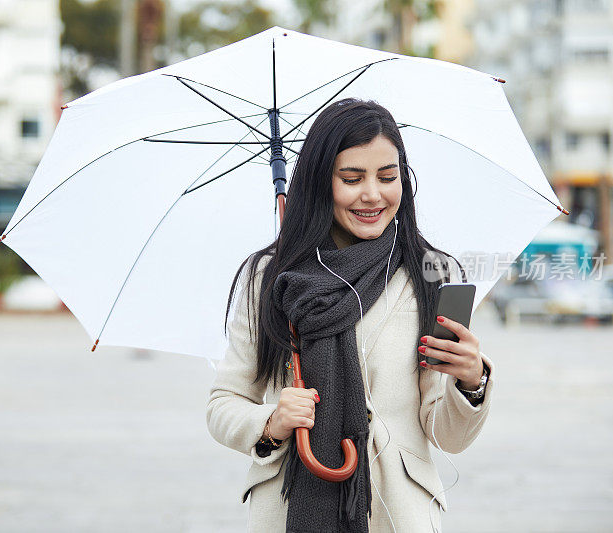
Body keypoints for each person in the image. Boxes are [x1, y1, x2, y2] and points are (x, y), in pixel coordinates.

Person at [206, 98, 495, 532]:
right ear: (321, 182)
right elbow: (223, 403)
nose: (372, 195)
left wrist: (470, 382)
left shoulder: (432, 272)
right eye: (351, 178)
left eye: (387, 177)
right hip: (292, 506)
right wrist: (271, 421)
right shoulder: (271, 276)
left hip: (397, 512)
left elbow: (447, 434)